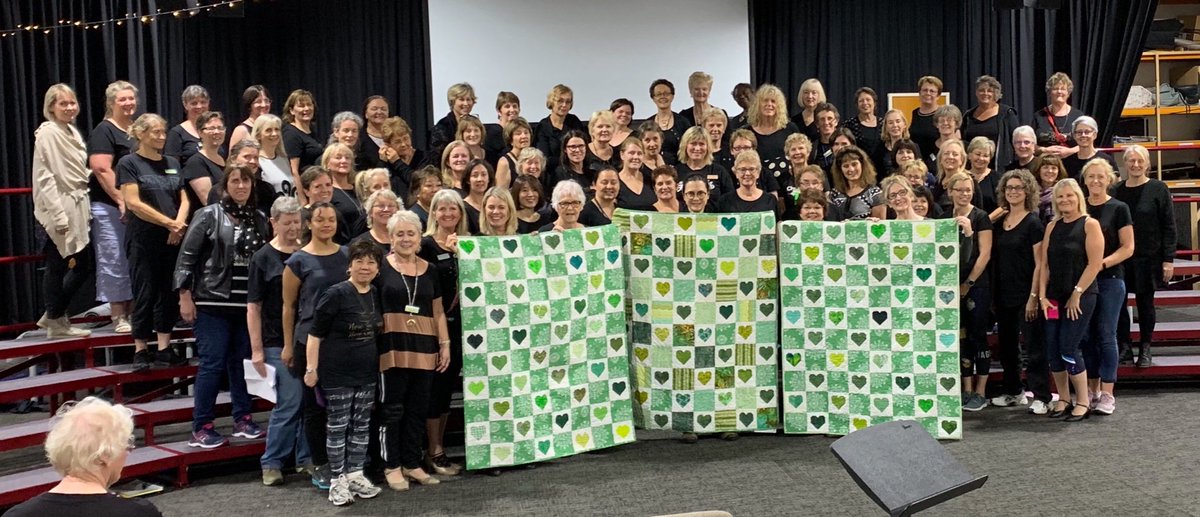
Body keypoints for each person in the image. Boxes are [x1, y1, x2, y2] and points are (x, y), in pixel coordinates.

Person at [175, 164, 269, 448]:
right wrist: (185, 295)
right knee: (212, 365)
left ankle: (243, 419)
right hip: (212, 301)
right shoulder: (207, 215)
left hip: (246, 305)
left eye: (246, 182)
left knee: (242, 365)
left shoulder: (260, 218)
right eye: (236, 181)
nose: (241, 186)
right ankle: (201, 426)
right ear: (225, 185)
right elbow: (186, 258)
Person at [304, 239, 385, 505]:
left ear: (378, 269)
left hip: (366, 374)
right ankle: (337, 481)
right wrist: (311, 369)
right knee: (338, 428)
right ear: (349, 266)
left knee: (361, 427)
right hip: (337, 374)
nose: (365, 267)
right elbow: (314, 335)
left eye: (371, 262)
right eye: (359, 261)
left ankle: (355, 474)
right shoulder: (335, 294)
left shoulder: (375, 293)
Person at [376, 210, 452, 490]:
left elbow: (438, 311)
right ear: (390, 238)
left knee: (417, 410)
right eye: (400, 234)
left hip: (424, 348)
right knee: (392, 410)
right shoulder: (380, 267)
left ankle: (412, 463)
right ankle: (391, 466)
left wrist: (444, 345)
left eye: (411, 233)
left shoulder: (430, 269)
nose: (406, 239)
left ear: (420, 237)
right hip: (392, 349)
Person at [282, 202, 349, 490]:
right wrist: (287, 346)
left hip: (345, 342)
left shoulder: (347, 254)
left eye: (331, 220)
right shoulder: (298, 261)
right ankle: (320, 463)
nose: (326, 224)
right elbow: (289, 307)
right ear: (309, 223)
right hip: (309, 342)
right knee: (315, 409)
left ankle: (347, 463)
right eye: (320, 220)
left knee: (345, 407)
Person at [4, 397, 161, 517]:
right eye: (126, 446)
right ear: (105, 455)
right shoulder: (139, 513)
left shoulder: (17, 515)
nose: (127, 453)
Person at [118, 113, 189, 372]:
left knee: (167, 294)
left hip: (172, 238)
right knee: (145, 292)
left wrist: (178, 224)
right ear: (140, 134)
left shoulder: (171, 162)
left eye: (163, 132)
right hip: (144, 239)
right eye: (154, 132)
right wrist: (168, 223)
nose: (160, 137)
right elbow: (134, 203)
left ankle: (164, 347)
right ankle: (140, 349)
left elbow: (184, 198)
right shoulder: (129, 163)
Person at [248, 196, 311, 486]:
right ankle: (272, 462)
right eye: (287, 223)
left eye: (296, 222)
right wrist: (257, 350)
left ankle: (306, 459)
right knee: (290, 400)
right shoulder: (262, 258)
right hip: (276, 341)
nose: (293, 228)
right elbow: (254, 307)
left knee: (310, 402)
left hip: (309, 339)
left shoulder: (307, 254)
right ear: (274, 223)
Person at [1038, 179, 1103, 422]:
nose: (1065, 200)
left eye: (1069, 196)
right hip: (1054, 297)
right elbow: (1044, 265)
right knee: (1053, 348)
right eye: (1060, 197)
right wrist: (1043, 296)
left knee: (1069, 347)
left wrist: (1076, 293)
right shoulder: (1052, 227)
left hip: (1081, 296)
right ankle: (1064, 399)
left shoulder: (1090, 225)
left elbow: (1094, 264)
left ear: (1078, 197)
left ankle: (1083, 401)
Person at [988, 169, 1052, 414]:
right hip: (1003, 295)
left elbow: (1040, 263)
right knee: (1007, 348)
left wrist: (1034, 297)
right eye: (1009, 188)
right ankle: (1015, 392)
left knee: (1034, 348)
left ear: (1028, 191)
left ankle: (1042, 396)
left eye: (1018, 188)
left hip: (1027, 295)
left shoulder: (1033, 223)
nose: (1013, 192)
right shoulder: (1000, 223)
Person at [32, 83, 92, 338]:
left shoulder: (71, 132)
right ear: (51, 107)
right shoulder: (48, 133)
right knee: (57, 264)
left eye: (72, 102)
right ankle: (55, 320)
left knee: (84, 263)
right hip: (57, 207)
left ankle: (54, 314)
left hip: (76, 203)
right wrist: (57, 214)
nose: (69, 107)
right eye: (62, 103)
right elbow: (45, 178)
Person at [417, 190, 470, 477]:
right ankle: (433, 450)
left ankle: (439, 448)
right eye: (443, 209)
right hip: (435, 327)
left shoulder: (467, 243)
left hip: (462, 325)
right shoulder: (424, 245)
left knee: (448, 388)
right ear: (434, 212)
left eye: (454, 209)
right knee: (435, 388)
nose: (448, 214)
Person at [1081, 159, 1133, 416]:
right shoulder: (1080, 208)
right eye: (1091, 176)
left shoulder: (1119, 208)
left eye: (1101, 176)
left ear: (1109, 179)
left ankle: (1108, 393)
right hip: (1083, 281)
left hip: (1110, 278)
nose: (1096, 181)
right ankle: (1092, 390)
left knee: (1106, 334)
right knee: (1087, 336)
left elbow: (1128, 247)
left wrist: (1101, 264)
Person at [1114, 145, 1174, 368]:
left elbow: (1169, 225)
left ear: (1147, 164)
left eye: (1140, 161)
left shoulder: (1159, 188)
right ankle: (1125, 347)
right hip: (1122, 256)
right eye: (1131, 161)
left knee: (1145, 303)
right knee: (1118, 304)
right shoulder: (1116, 190)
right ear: (1125, 163)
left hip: (1150, 257)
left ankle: (1145, 348)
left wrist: (1169, 259)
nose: (1136, 165)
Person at [88, 80, 138, 334]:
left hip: (135, 207)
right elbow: (101, 168)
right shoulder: (104, 131)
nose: (129, 103)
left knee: (132, 261)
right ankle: (118, 316)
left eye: (131, 98)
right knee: (115, 258)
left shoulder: (135, 129)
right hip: (110, 207)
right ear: (111, 103)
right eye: (122, 99)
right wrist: (121, 200)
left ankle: (132, 312)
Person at [941, 172, 993, 412]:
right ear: (951, 192)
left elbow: (984, 254)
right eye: (959, 189)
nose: (964, 194)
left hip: (976, 287)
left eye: (968, 189)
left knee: (978, 337)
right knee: (960, 339)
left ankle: (981, 392)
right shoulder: (943, 217)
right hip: (950, 288)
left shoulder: (981, 217)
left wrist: (968, 283)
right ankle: (966, 389)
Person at [961, 75, 1019, 170]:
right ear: (976, 92)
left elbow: (1016, 140)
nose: (985, 93)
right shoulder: (968, 115)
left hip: (999, 168)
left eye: (989, 91)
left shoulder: (1007, 113)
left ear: (996, 93)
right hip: (972, 168)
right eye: (981, 90)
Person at [749, 84, 800, 182]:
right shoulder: (748, 131)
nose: (769, 104)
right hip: (758, 182)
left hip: (787, 182)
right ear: (758, 104)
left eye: (773, 101)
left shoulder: (790, 128)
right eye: (765, 101)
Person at [677, 126, 734, 207]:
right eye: (693, 143)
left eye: (701, 144)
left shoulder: (719, 171)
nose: (697, 148)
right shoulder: (676, 172)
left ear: (708, 147)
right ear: (685, 146)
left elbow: (730, 200)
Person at [534, 84, 585, 173]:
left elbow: (584, 148)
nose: (564, 105)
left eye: (568, 101)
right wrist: (570, 159)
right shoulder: (543, 126)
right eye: (560, 101)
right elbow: (544, 157)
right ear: (552, 102)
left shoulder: (574, 121)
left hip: (575, 171)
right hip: (552, 173)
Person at [1031, 72, 1083, 158]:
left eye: (1063, 89)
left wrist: (1070, 151)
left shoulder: (1078, 116)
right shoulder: (1038, 116)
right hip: (1046, 165)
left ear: (1068, 93)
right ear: (1049, 92)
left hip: (1073, 164)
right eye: (1055, 88)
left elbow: (1087, 143)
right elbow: (1030, 145)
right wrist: (1045, 150)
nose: (1059, 91)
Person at [181, 112, 226, 209]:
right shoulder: (196, 162)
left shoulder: (224, 159)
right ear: (200, 132)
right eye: (211, 128)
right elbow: (208, 200)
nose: (217, 132)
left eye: (220, 128)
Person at [282, 90, 324, 194]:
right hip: (305, 190)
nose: (306, 108)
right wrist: (301, 198)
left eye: (309, 104)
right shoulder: (291, 133)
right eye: (301, 106)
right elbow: (293, 171)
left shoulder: (311, 130)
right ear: (291, 110)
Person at [321, 143, 362, 244]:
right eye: (338, 158)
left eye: (347, 158)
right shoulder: (327, 192)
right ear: (327, 164)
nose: (344, 161)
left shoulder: (359, 188)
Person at [829, 146, 884, 221]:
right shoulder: (834, 194)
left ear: (862, 165)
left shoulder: (875, 194)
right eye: (845, 166)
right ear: (840, 170)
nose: (851, 169)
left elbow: (880, 227)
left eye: (854, 164)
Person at [380, 116, 425, 201]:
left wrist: (397, 162)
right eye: (397, 141)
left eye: (406, 138)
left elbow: (418, 183)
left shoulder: (424, 157)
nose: (403, 144)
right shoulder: (386, 163)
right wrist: (382, 162)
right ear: (388, 144)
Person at [718, 150, 776, 214]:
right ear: (736, 173)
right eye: (743, 169)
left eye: (751, 169)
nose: (747, 173)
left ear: (758, 172)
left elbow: (777, 222)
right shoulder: (725, 200)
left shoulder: (770, 199)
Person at [1061, 116, 1117, 182]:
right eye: (1079, 132)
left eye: (1087, 132)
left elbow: (1115, 185)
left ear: (1094, 135)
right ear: (1074, 136)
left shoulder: (1106, 160)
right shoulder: (1067, 162)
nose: (1083, 135)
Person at [648, 79, 692, 161]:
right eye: (658, 94)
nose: (662, 97)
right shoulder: (647, 123)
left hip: (679, 169)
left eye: (666, 93)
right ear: (653, 98)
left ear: (672, 97)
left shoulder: (683, 122)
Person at [165, 85, 210, 163]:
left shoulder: (216, 130)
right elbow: (171, 165)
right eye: (194, 103)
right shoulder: (177, 133)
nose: (199, 106)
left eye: (203, 102)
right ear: (185, 105)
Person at [254, 114, 295, 199]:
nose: (274, 134)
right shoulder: (256, 162)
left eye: (277, 129)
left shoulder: (284, 159)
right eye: (268, 130)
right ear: (258, 135)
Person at [429, 82, 476, 156]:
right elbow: (438, 156)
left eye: (468, 99)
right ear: (452, 102)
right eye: (461, 99)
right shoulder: (442, 126)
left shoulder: (475, 122)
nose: (466, 103)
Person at [351, 189, 401, 257]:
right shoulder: (358, 243)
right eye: (381, 206)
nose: (386, 209)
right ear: (370, 211)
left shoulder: (406, 240)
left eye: (391, 206)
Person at [909, 76, 943, 156]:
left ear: (938, 95)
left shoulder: (943, 114)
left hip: (936, 160)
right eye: (925, 90)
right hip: (917, 160)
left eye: (932, 91)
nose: (928, 93)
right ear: (920, 93)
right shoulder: (915, 113)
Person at [615, 138, 654, 210]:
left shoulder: (650, 179)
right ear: (622, 155)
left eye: (639, 153)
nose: (636, 157)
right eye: (631, 153)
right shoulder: (615, 182)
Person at [229, 85, 271, 150]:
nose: (264, 105)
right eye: (258, 101)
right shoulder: (241, 130)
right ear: (249, 105)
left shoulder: (273, 128)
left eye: (266, 101)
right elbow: (232, 158)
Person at [965, 136, 1000, 215]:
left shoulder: (997, 178)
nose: (981, 158)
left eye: (985, 156)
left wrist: (986, 221)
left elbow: (1003, 206)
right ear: (969, 155)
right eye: (978, 154)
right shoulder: (962, 176)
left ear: (990, 158)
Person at [844, 87, 881, 159]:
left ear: (875, 103)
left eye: (868, 100)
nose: (865, 103)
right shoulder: (849, 125)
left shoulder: (883, 124)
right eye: (861, 101)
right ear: (857, 104)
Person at [495, 117, 533, 189]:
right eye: (518, 133)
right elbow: (501, 193)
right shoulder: (504, 162)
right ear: (510, 139)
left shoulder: (534, 158)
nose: (524, 136)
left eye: (526, 132)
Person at [485, 91, 521, 166]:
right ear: (499, 111)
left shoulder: (520, 133)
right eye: (507, 106)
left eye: (515, 106)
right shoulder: (494, 133)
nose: (512, 110)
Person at [460, 158, 494, 235]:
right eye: (475, 175)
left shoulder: (494, 206)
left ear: (489, 179)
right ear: (468, 180)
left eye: (483, 175)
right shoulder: (462, 207)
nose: (480, 179)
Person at [877, 110, 916, 174]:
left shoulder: (913, 146)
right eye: (890, 123)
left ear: (904, 124)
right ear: (886, 127)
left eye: (898, 121)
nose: (895, 125)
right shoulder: (879, 149)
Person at [933, 139, 967, 212]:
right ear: (940, 159)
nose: (950, 157)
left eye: (955, 154)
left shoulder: (969, 181)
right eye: (946, 153)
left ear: (962, 160)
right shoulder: (938, 181)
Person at [359, 96, 391, 171]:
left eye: (383, 109)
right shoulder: (359, 139)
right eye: (374, 109)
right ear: (366, 114)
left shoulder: (395, 136)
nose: (379, 112)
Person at [1031, 153, 1066, 223]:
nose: (1050, 171)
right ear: (1038, 170)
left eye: (1054, 168)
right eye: (1045, 167)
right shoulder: (1030, 192)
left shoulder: (1063, 192)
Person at [585, 110, 620, 176]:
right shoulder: (584, 152)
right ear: (592, 130)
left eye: (608, 126)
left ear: (613, 129)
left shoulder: (618, 154)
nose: (604, 130)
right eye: (600, 126)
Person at [810, 103, 841, 173]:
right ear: (817, 124)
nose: (826, 122)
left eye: (829, 118)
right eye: (822, 119)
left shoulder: (845, 144)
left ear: (836, 122)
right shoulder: (812, 148)